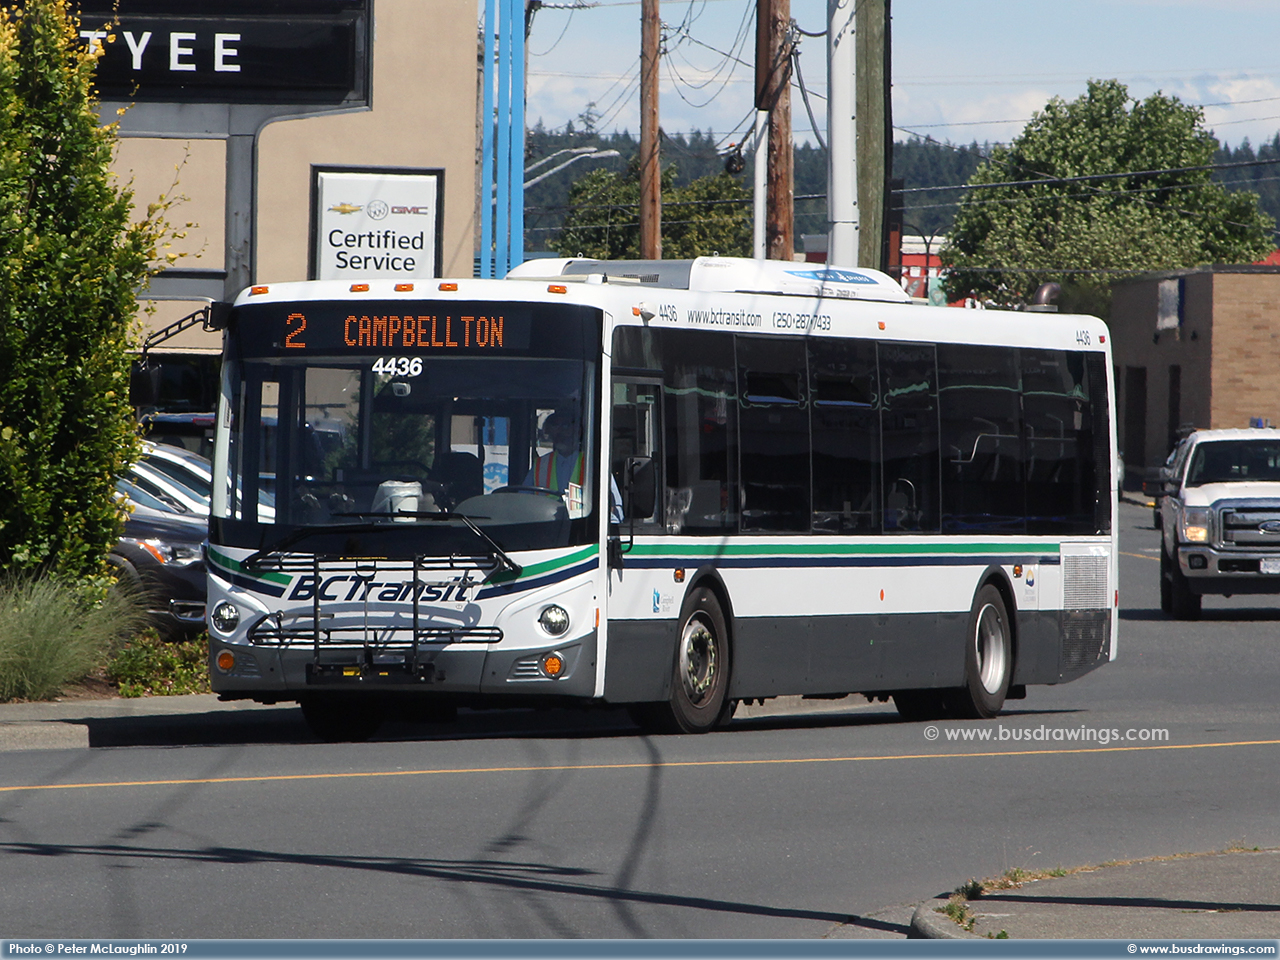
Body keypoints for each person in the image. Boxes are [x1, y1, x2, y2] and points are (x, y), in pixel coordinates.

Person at [525, 409, 624, 522]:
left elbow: (615, 514)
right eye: (555, 426)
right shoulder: (540, 465)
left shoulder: (595, 464)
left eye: (566, 426)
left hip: (583, 530)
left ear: (578, 431)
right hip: (545, 529)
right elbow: (524, 503)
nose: (560, 431)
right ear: (548, 432)